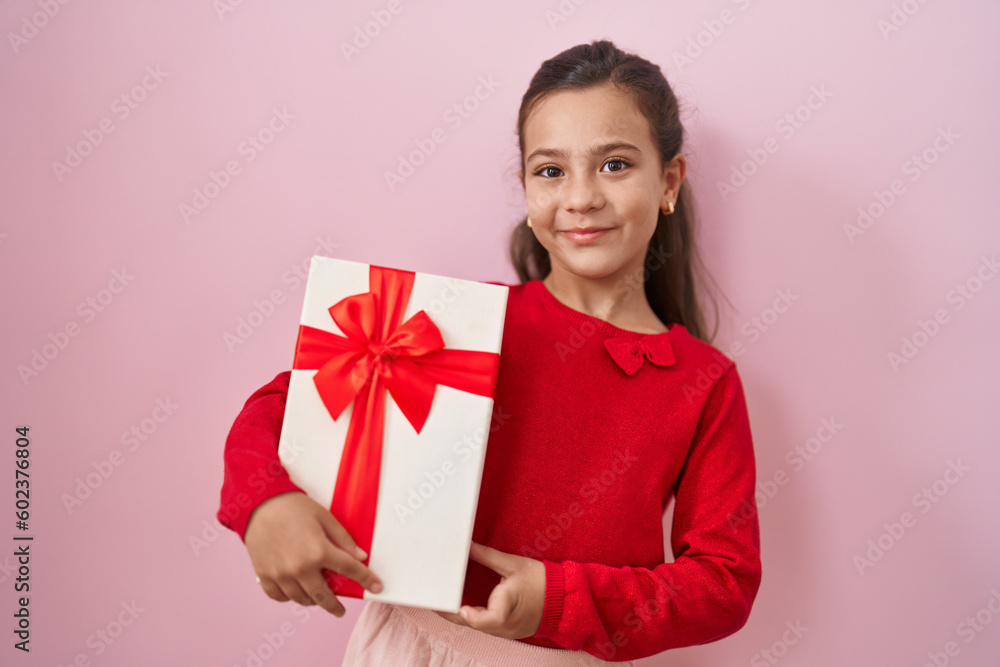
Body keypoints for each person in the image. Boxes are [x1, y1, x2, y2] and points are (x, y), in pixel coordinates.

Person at [217, 40, 761, 666]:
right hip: (410, 647)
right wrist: (266, 502)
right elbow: (286, 405)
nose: (580, 197)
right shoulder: (462, 320)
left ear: (668, 182)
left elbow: (725, 581)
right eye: (551, 171)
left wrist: (558, 599)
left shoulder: (705, 382)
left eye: (614, 164)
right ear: (527, 189)